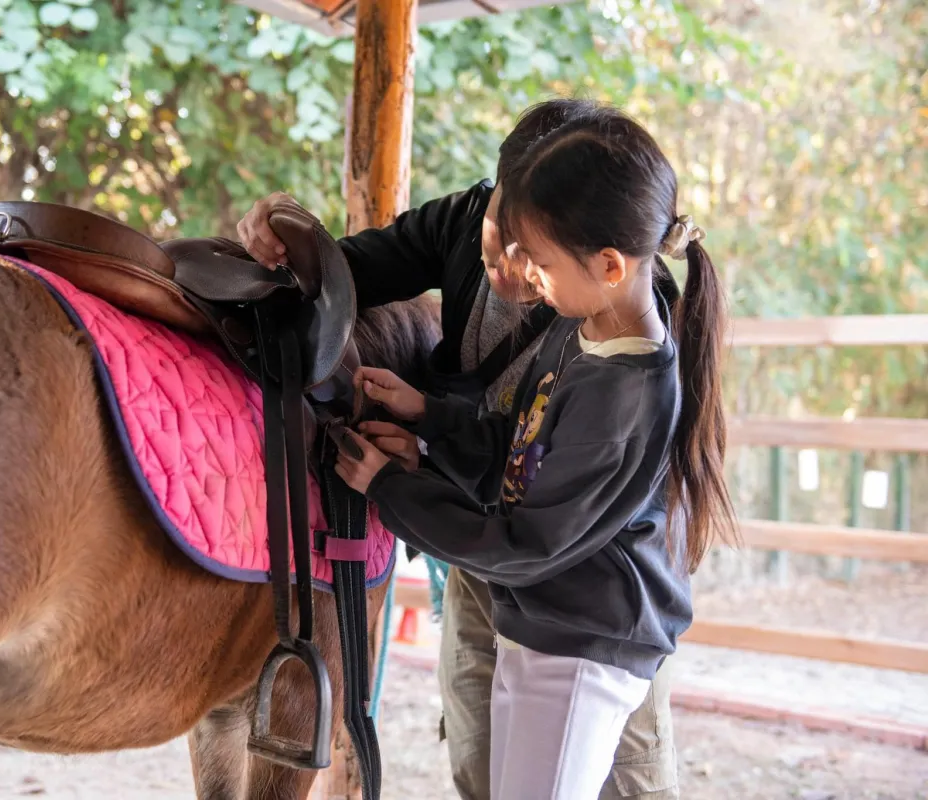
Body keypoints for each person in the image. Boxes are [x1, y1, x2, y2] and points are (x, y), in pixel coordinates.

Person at [237, 99, 683, 799]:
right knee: (487, 765)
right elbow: (525, 444)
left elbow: (530, 536)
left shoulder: (610, 354)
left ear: (605, 264)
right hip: (524, 594)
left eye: (533, 256)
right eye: (503, 232)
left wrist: (390, 483)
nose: (513, 268)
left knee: (619, 782)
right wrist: (431, 420)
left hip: (576, 615)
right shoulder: (589, 317)